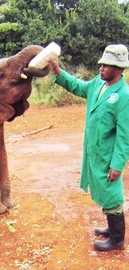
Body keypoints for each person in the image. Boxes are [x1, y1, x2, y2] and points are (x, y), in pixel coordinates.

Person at [49, 44, 129, 251]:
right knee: (103, 190)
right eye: (101, 64)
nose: (101, 68)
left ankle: (117, 239)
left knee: (112, 193)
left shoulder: (124, 96)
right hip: (94, 152)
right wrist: (58, 71)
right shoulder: (97, 84)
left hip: (108, 155)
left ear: (119, 69)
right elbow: (78, 86)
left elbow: (124, 135)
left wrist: (118, 164)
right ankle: (112, 229)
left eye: (107, 65)